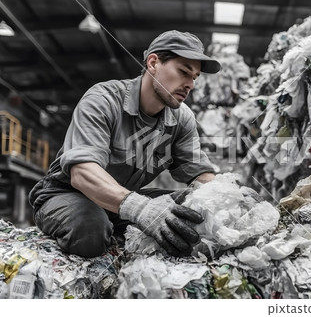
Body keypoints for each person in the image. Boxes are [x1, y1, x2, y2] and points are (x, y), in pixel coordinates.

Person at [29, 30, 222, 258]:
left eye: (195, 77)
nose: (190, 84)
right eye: (183, 72)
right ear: (153, 63)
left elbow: (201, 177)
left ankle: (118, 227)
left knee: (193, 208)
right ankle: (90, 227)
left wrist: (228, 198)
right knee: (90, 229)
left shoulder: (181, 118)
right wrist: (141, 209)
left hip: (123, 200)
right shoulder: (103, 100)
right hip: (68, 194)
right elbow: (82, 173)